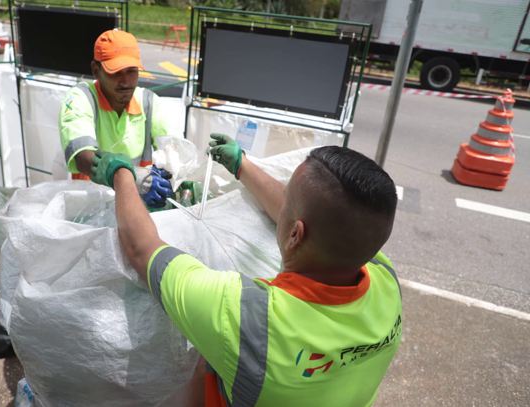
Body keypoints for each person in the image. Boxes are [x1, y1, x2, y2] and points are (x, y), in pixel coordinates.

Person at [98, 135, 402, 406]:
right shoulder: (384, 277)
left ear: (296, 234)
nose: (280, 205)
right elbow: (314, 216)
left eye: (287, 205)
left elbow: (141, 248)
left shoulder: (248, 317)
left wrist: (123, 176)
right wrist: (242, 165)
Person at [59, 29, 173, 208]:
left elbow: (173, 151)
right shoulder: (81, 98)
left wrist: (179, 175)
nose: (126, 82)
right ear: (95, 70)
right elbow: (82, 157)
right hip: (89, 205)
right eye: (116, 72)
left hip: (137, 204)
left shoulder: (149, 102)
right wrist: (130, 176)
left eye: (131, 71)